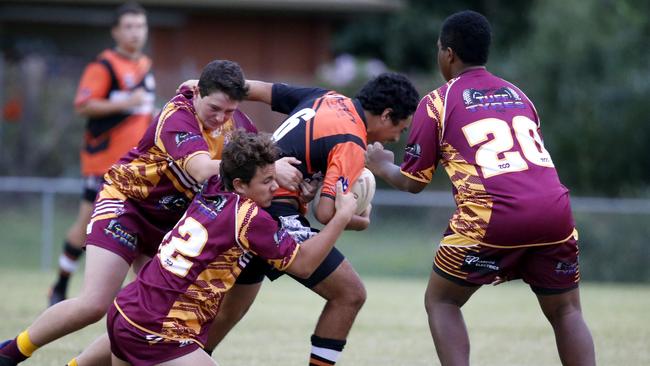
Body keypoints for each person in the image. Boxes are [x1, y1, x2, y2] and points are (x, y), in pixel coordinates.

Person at [0, 60, 302, 366]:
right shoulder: (177, 116)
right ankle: (11, 353)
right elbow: (199, 169)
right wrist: (267, 168)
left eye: (229, 111)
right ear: (196, 92)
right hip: (128, 206)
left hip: (169, 224)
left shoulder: (233, 122)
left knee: (145, 313)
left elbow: (266, 155)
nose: (222, 118)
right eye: (215, 108)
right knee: (95, 303)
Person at [365, 10, 596, 366]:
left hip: (494, 215)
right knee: (566, 311)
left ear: (449, 54)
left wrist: (380, 165)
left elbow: (413, 183)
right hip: (556, 212)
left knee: (442, 301)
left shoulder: (438, 102)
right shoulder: (519, 95)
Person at [202, 73, 419, 366]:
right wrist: (360, 218)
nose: (395, 138)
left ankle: (186, 358)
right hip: (271, 210)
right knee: (350, 294)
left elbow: (258, 88)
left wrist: (206, 87)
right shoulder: (352, 139)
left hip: (237, 201)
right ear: (386, 115)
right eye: (399, 129)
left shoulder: (326, 97)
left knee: (230, 309)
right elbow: (327, 213)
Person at [107, 130, 357, 366]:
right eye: (267, 180)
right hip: (159, 330)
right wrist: (341, 216)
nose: (275, 187)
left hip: (125, 311)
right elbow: (304, 265)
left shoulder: (213, 185)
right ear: (239, 184)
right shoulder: (248, 218)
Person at [48, 1, 155, 306]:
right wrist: (127, 103)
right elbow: (83, 105)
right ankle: (60, 284)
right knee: (85, 225)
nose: (136, 33)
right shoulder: (104, 65)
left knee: (144, 227)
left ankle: (141, 298)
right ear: (116, 32)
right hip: (103, 163)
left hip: (137, 166)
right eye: (129, 27)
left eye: (140, 26)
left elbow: (141, 112)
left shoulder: (144, 65)